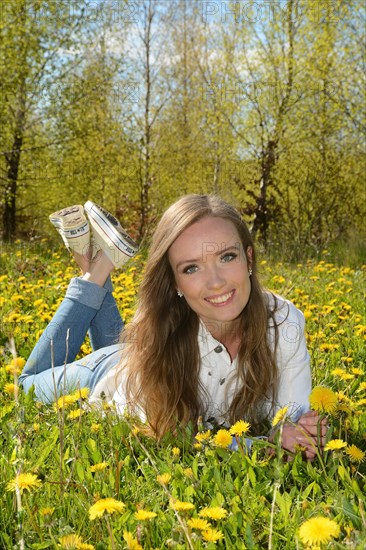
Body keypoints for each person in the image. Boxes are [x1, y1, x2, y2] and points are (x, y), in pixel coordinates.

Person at [19, 195, 327, 459]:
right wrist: (261, 446)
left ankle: (95, 259)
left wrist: (301, 433)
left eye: (227, 257)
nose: (216, 281)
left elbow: (293, 423)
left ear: (249, 259)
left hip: (137, 355)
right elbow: (173, 435)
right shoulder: (162, 337)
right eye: (191, 268)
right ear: (175, 283)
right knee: (24, 387)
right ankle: (98, 269)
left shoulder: (284, 321)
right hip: (105, 375)